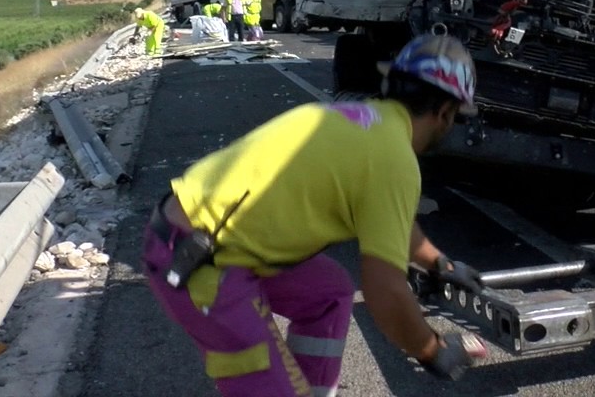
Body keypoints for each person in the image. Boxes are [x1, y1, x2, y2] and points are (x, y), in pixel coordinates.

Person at [142, 34, 488, 396]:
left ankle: (310, 389)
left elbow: (394, 222)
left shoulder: (360, 123)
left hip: (197, 237)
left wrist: (439, 263)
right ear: (446, 113)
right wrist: (431, 349)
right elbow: (384, 292)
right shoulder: (393, 159)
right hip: (203, 263)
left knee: (329, 292)